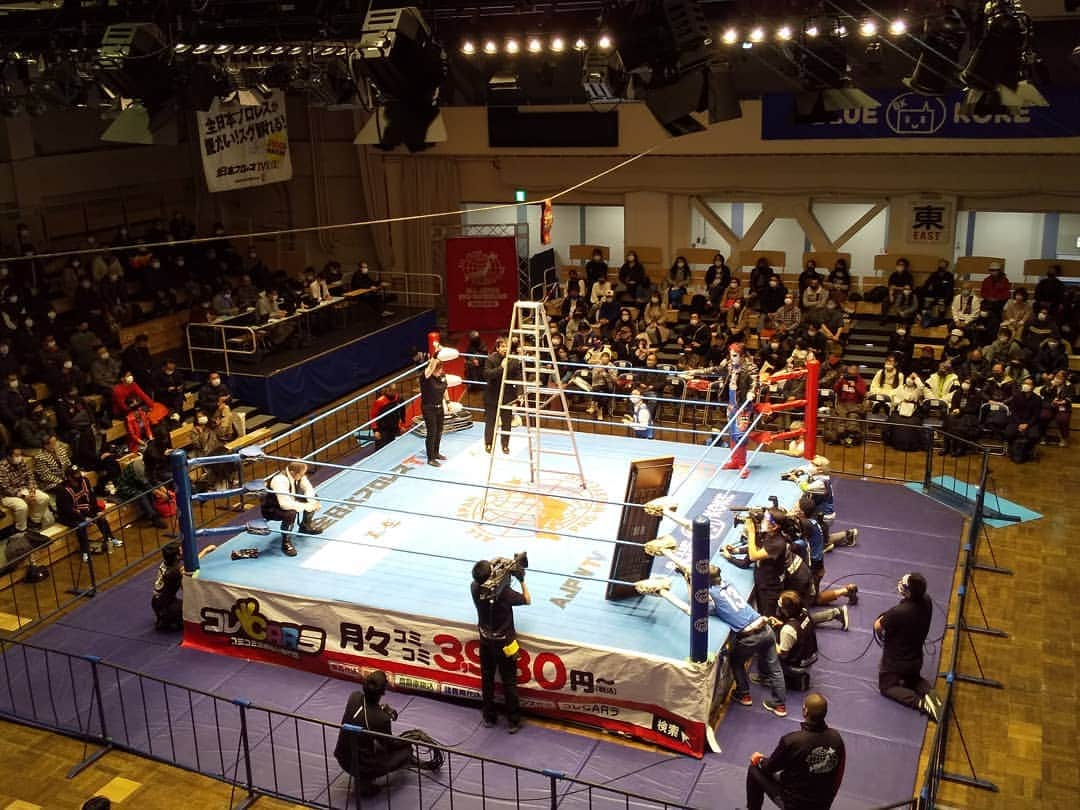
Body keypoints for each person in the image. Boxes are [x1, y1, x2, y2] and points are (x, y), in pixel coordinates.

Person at [746, 693, 845, 810]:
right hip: (823, 803)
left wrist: (760, 759)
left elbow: (770, 768)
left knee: (754, 770)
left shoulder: (792, 741)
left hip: (794, 803)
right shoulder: (836, 738)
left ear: (805, 711)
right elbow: (839, 773)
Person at [711, 569, 787, 717]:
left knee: (736, 661)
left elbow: (701, 607)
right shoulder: (729, 585)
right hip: (766, 628)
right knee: (775, 669)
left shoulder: (711, 594)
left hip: (750, 637)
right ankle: (780, 705)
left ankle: (744, 694)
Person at [471, 557, 531, 732]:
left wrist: (495, 563)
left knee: (487, 679)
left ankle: (489, 716)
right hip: (505, 643)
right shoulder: (504, 594)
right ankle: (513, 720)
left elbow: (483, 577)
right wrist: (521, 580)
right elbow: (527, 599)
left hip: (485, 641)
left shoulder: (474, 587)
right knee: (509, 682)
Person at [874, 572, 943, 721]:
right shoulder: (927, 601)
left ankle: (921, 704)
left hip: (897, 663)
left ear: (909, 592)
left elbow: (878, 626)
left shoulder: (898, 613)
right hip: (916, 658)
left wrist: (886, 616)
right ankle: (931, 695)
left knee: (886, 687)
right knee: (913, 679)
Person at [334, 670, 414, 797]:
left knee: (370, 743)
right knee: (406, 751)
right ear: (383, 692)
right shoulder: (381, 719)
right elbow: (390, 745)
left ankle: (364, 776)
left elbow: (368, 710)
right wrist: (409, 740)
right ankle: (366, 782)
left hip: (342, 756)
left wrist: (381, 709)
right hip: (361, 766)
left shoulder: (354, 697)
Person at [55, 465, 121, 559]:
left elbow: (92, 498)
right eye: (76, 474)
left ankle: (110, 538)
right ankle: (85, 550)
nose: (79, 475)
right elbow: (67, 509)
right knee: (81, 525)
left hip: (84, 509)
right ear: (69, 477)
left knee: (101, 518)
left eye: (79, 473)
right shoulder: (62, 489)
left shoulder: (85, 481)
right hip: (68, 515)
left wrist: (97, 511)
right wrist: (84, 518)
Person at [261, 461, 324, 557]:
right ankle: (286, 542)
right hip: (272, 508)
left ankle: (305, 527)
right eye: (302, 474)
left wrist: (312, 502)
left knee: (314, 497)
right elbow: (284, 504)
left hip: (290, 499)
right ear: (293, 473)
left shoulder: (299, 475)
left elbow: (308, 489)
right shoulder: (279, 480)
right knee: (291, 512)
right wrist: (308, 506)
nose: (304, 476)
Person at [0, 447, 52, 533]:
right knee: (22, 506)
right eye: (16, 455)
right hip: (8, 495)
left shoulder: (22, 462)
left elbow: (30, 476)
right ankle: (21, 528)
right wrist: (23, 496)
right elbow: (5, 488)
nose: (19, 457)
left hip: (24, 489)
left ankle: (34, 522)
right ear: (9, 456)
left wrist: (32, 491)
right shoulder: (1, 467)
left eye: (20, 454)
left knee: (44, 498)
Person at [483, 337, 520, 454]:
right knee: (491, 421)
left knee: (507, 422)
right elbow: (487, 374)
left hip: (507, 396)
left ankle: (505, 445)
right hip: (492, 395)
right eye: (503, 346)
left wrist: (520, 394)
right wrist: (501, 368)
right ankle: (488, 443)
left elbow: (519, 377)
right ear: (498, 348)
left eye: (507, 346)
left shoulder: (514, 361)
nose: (505, 348)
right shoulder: (491, 359)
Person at [420, 350, 450, 466]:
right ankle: (430, 458)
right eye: (437, 370)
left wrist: (448, 402)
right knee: (432, 432)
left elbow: (444, 388)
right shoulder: (426, 378)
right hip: (428, 408)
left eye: (441, 369)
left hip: (439, 407)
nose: (440, 372)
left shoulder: (441, 376)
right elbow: (429, 369)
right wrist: (435, 356)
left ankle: (436, 452)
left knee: (439, 431)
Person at [152, 541, 184, 631]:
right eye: (181, 551)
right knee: (191, 606)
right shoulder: (174, 572)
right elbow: (188, 568)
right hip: (167, 606)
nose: (183, 552)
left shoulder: (165, 564)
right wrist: (206, 550)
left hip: (155, 602)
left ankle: (164, 618)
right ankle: (169, 619)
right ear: (176, 556)